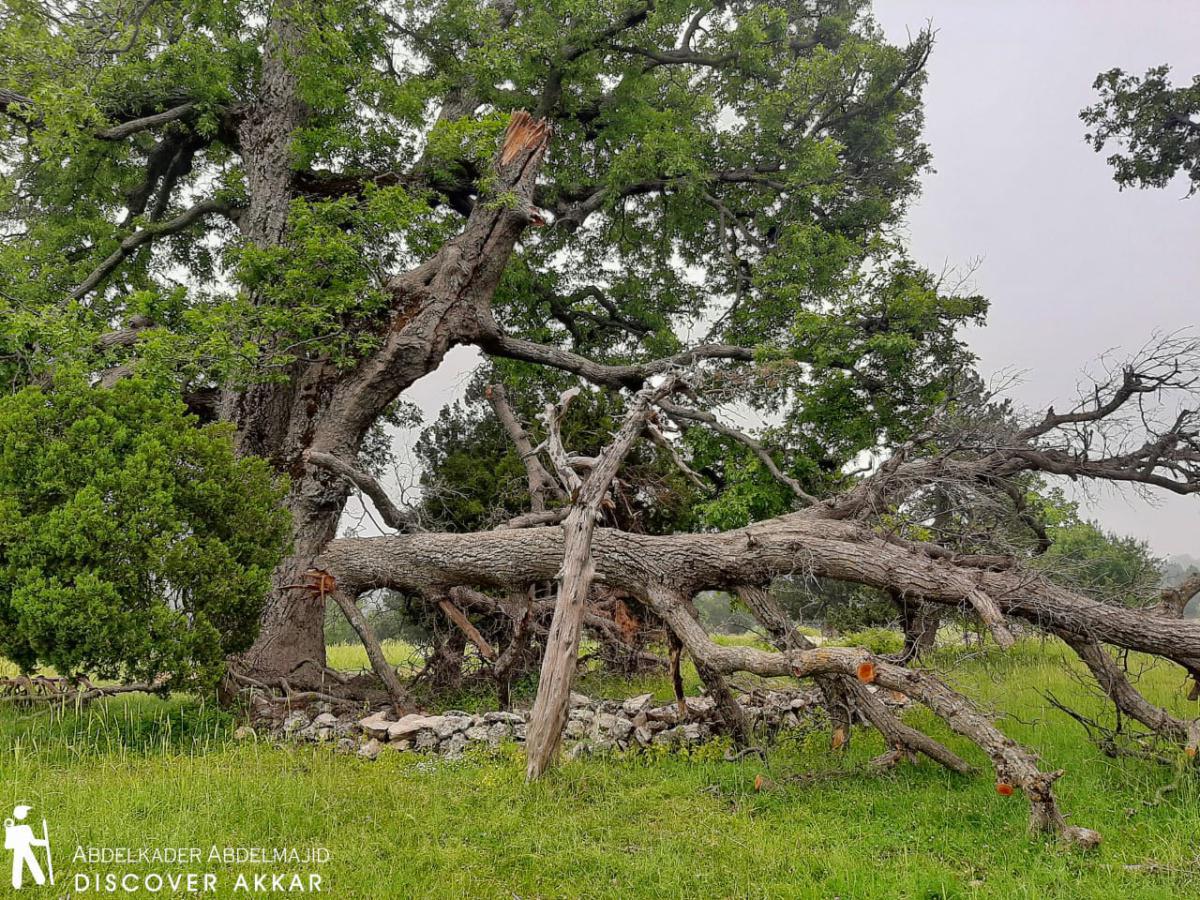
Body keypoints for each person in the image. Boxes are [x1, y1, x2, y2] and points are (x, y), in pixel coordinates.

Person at [5, 805, 49, 889]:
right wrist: (44, 842)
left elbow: (32, 842)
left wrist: (44, 842)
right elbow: (33, 842)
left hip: (22, 850)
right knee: (29, 864)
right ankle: (39, 882)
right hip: (24, 850)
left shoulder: (21, 828)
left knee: (23, 865)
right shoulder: (24, 828)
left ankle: (38, 882)